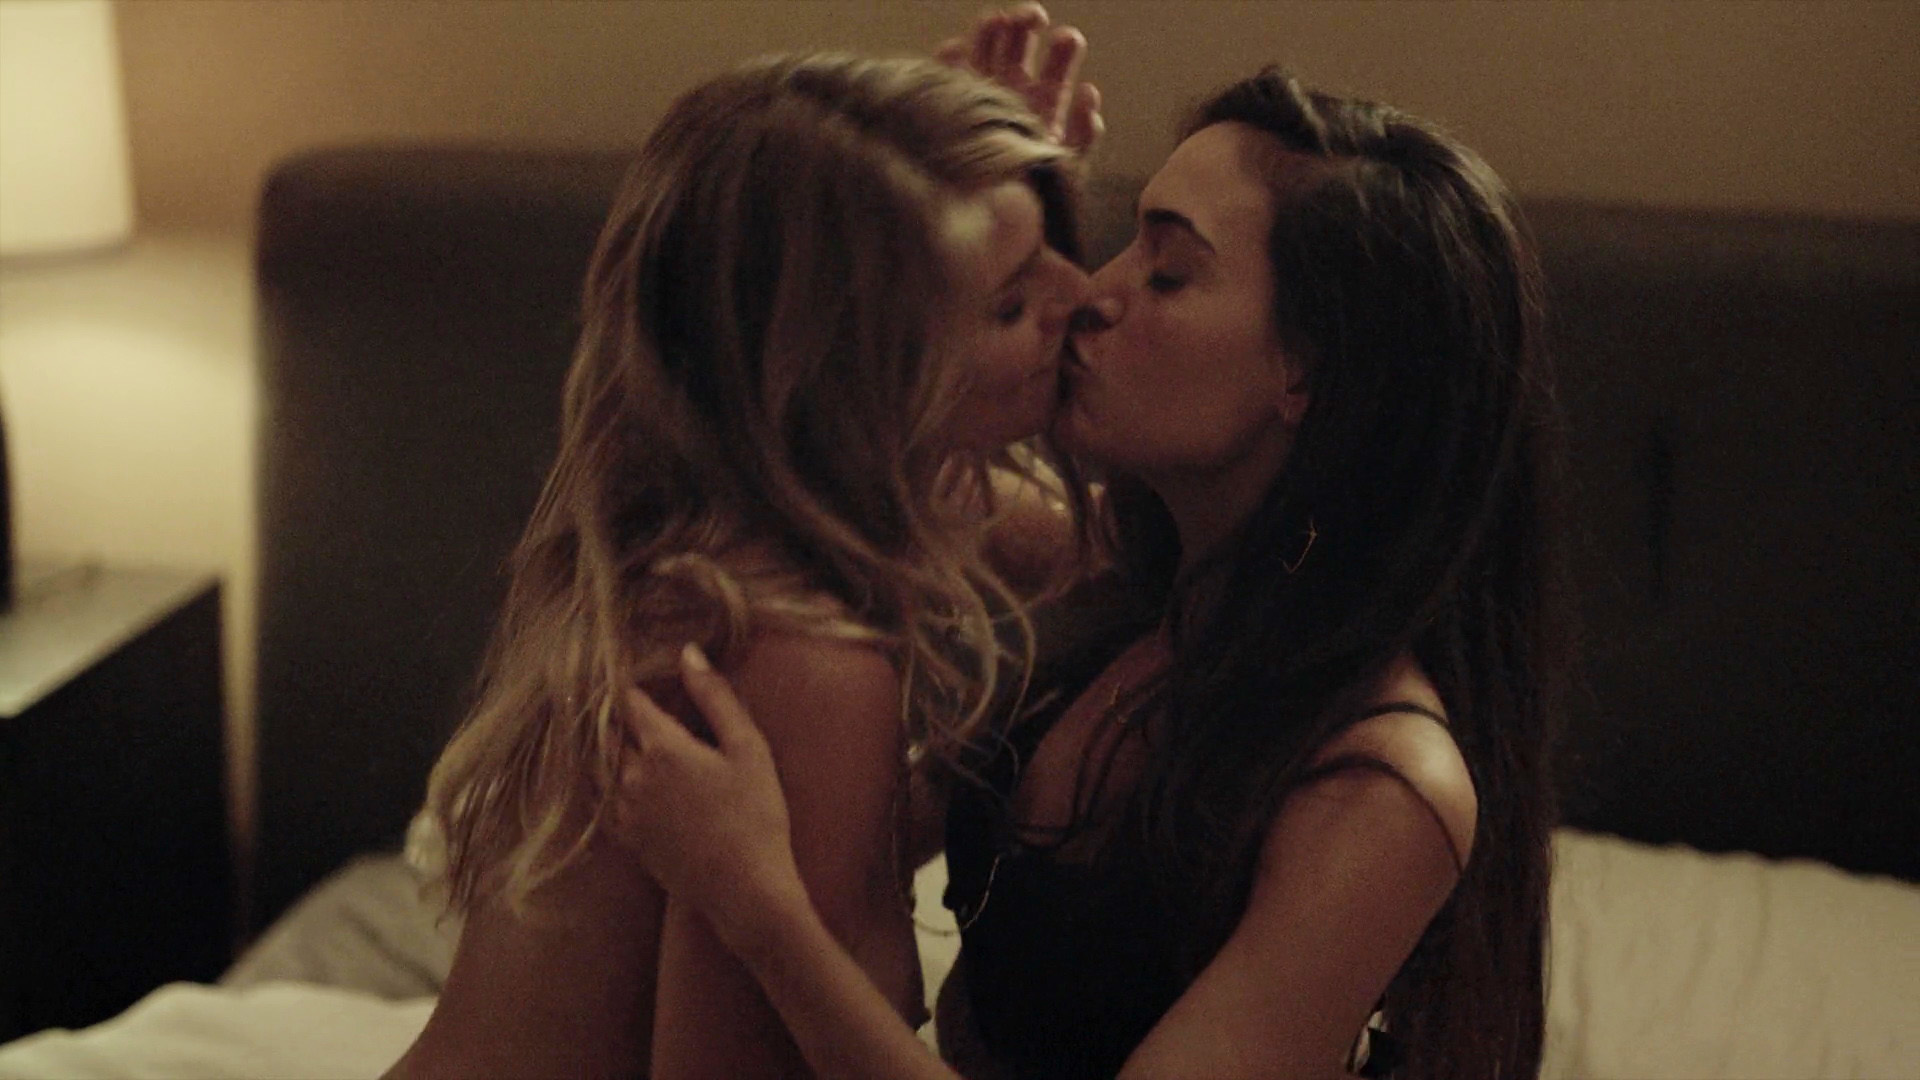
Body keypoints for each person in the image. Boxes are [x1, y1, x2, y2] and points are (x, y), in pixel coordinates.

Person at [609, 23, 1569, 1080]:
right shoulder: (1141, 578)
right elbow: (797, 447)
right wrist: (939, 226)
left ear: (1307, 372)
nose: (1091, 294)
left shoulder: (1382, 783)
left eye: (1169, 272)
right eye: (1119, 241)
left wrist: (758, 910)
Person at [384, 50, 1102, 1078]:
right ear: (865, 384)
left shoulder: (723, 530)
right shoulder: (801, 659)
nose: (1085, 295)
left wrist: (988, 204)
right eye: (1009, 305)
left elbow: (1117, 555)